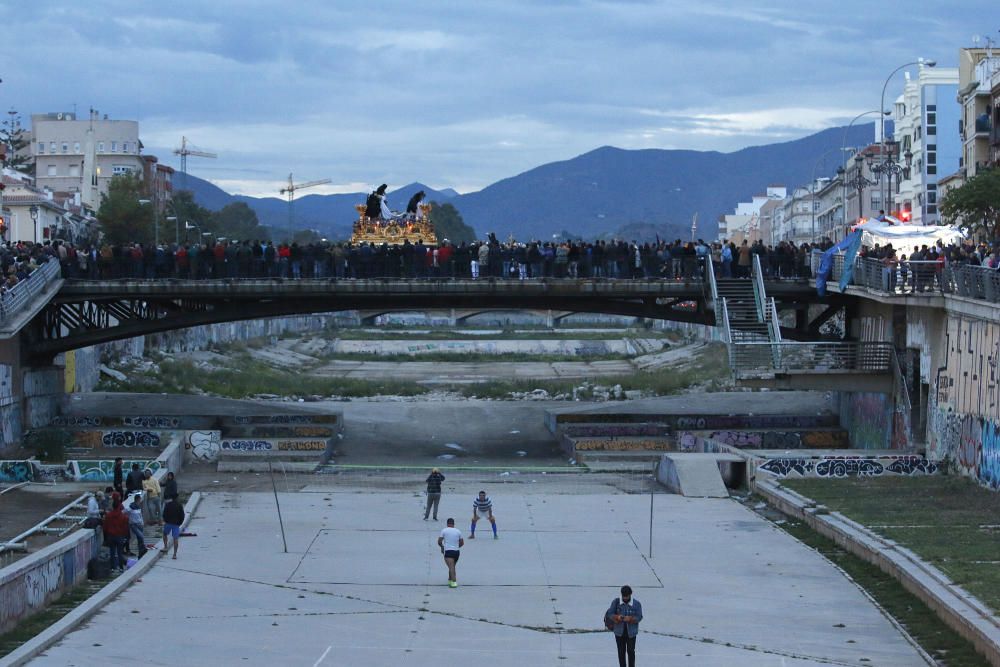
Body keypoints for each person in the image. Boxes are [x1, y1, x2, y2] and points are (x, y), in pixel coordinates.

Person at [606, 585, 643, 667]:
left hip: (631, 633)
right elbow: (610, 614)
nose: (625, 598)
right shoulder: (616, 602)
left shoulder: (636, 604)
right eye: (624, 596)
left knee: (631, 651)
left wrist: (630, 619)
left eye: (627, 596)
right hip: (619, 632)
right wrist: (617, 617)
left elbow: (639, 616)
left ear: (630, 595)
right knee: (621, 652)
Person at [102, 498, 129, 573]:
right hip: (120, 536)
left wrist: (106, 537)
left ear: (113, 506)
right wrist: (125, 537)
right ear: (119, 507)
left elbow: (105, 527)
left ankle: (112, 568)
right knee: (120, 553)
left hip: (110, 536)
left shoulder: (108, 515)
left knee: (112, 552)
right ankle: (120, 567)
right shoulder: (123, 517)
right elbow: (126, 528)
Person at [437, 518, 464, 588]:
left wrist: (442, 547)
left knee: (451, 567)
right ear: (453, 524)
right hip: (456, 552)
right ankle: (449, 580)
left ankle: (454, 582)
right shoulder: (458, 531)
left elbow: (439, 541)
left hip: (448, 551)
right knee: (452, 566)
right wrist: (457, 547)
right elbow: (462, 542)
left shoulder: (444, 530)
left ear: (447, 523)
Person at [162, 495, 185, 559]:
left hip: (168, 523)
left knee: (164, 534)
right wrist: (180, 523)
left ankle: (165, 547)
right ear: (177, 498)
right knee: (175, 539)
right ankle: (174, 554)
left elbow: (164, 514)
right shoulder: (180, 505)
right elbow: (182, 515)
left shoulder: (168, 505)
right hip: (176, 524)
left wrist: (166, 520)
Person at [126, 493, 145, 557]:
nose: (140, 501)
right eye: (140, 500)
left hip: (140, 524)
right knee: (141, 536)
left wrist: (142, 523)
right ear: (137, 500)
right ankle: (143, 549)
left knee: (140, 539)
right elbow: (124, 512)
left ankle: (141, 553)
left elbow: (140, 515)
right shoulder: (131, 507)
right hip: (134, 525)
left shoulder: (139, 507)